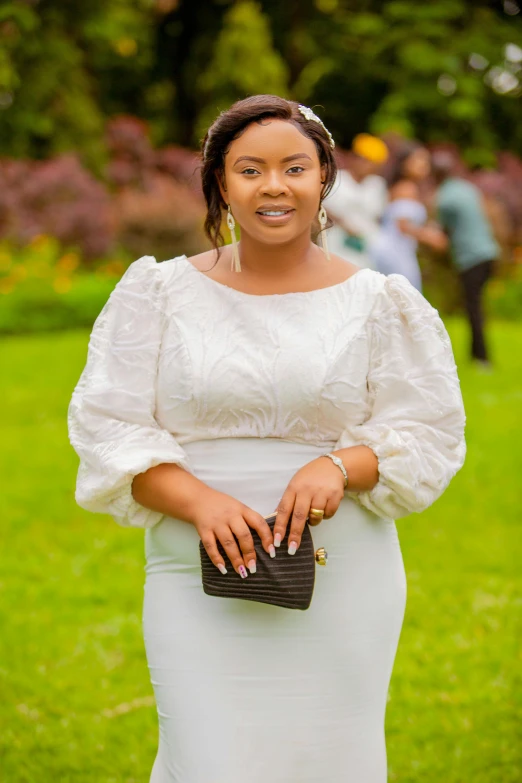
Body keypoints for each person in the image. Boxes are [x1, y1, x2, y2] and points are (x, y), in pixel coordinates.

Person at [68, 95, 466, 783]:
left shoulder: (381, 302)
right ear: (222, 183)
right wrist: (199, 501)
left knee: (327, 761)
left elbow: (427, 430)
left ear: (324, 179)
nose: (274, 185)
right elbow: (110, 429)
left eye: (294, 168)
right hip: (193, 574)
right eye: (250, 169)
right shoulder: (156, 293)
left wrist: (340, 465)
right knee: (207, 758)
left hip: (344, 579)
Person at [432, 150, 500, 367]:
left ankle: (481, 358)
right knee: (476, 305)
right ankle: (476, 355)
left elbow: (443, 236)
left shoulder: (444, 198)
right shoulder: (466, 188)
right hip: (489, 251)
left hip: (470, 256)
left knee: (473, 307)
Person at [370, 141, 448, 291]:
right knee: (406, 295)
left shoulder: (406, 187)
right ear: (404, 163)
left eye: (425, 160)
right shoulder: (405, 188)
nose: (423, 165)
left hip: (398, 249)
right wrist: (430, 237)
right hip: (395, 251)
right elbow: (402, 225)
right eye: (418, 160)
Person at [323, 133, 389, 268]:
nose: (366, 165)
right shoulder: (337, 179)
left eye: (372, 162)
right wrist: (345, 225)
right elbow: (322, 208)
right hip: (336, 240)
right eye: (364, 160)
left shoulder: (377, 184)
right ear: (354, 157)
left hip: (366, 244)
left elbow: (377, 215)